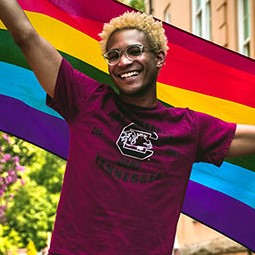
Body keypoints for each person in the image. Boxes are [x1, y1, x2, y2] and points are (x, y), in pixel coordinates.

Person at [1, 1, 255, 254]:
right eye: (113, 55)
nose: (123, 62)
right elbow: (26, 36)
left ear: (159, 58)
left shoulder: (189, 128)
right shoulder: (86, 101)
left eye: (134, 51)